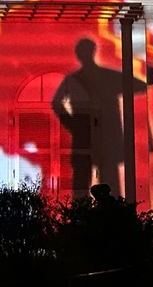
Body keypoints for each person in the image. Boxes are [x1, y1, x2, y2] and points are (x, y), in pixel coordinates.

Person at [51, 38, 147, 198]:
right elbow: (56, 103)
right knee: (91, 181)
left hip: (100, 135)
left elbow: (140, 85)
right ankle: (99, 213)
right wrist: (73, 124)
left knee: (96, 181)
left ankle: (87, 214)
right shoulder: (95, 77)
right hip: (89, 135)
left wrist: (72, 124)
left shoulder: (100, 77)